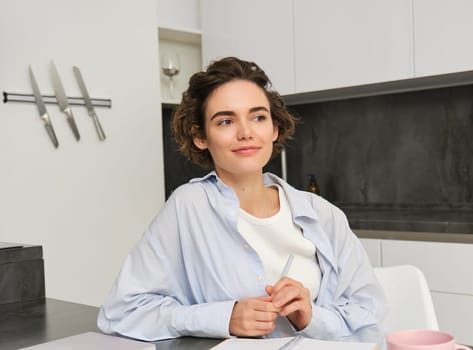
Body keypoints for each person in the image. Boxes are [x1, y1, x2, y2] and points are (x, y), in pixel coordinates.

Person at [97, 57, 385, 343]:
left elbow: (369, 313)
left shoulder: (322, 214)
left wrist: (309, 315)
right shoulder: (189, 207)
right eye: (225, 121)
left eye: (258, 117)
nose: (246, 132)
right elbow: (121, 311)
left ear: (274, 129)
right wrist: (224, 317)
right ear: (201, 137)